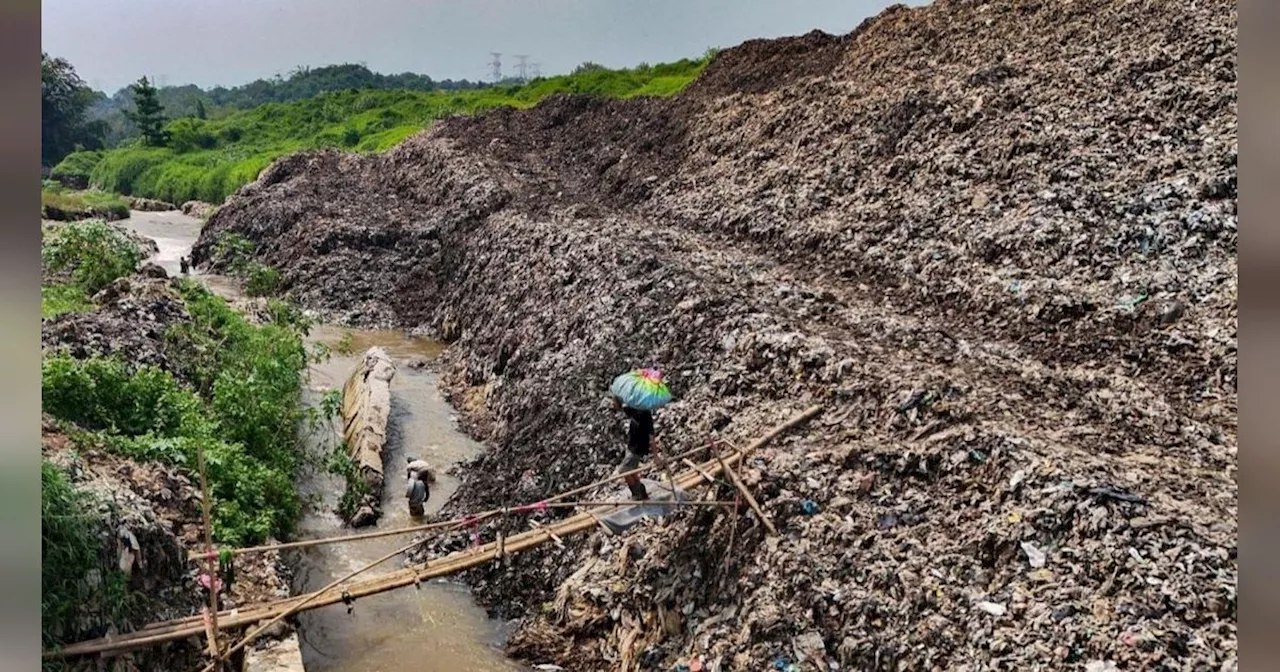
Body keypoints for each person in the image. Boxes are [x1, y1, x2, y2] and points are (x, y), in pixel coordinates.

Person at [612, 396, 665, 500]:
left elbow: (651, 437)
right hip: (631, 446)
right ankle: (641, 491)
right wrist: (616, 398)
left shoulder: (645, 415)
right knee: (632, 470)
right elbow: (621, 407)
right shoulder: (634, 409)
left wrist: (656, 456)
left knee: (624, 470)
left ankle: (637, 493)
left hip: (638, 449)